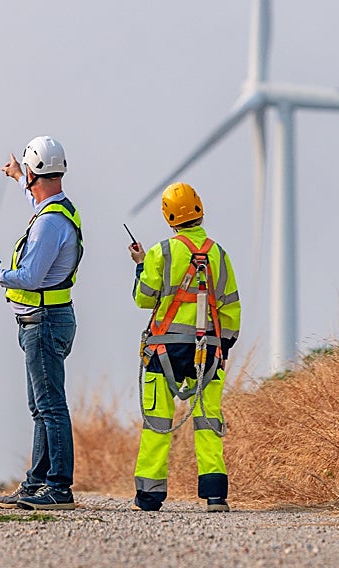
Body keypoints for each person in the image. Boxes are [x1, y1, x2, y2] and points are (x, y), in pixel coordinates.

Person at [0, 135, 83, 511]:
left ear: (37, 173)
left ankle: (58, 487)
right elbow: (37, 197)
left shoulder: (49, 223)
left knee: (50, 406)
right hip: (47, 318)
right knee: (41, 406)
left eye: (28, 175)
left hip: (44, 321)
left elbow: (30, 276)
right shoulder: (59, 208)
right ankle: (37, 481)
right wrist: (18, 175)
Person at [126, 182, 241, 512]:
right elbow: (230, 305)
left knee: (158, 423)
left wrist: (139, 264)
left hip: (164, 350)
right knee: (208, 422)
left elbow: (143, 298)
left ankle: (149, 497)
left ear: (168, 216)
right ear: (200, 209)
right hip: (208, 350)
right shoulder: (219, 253)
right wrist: (224, 345)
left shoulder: (162, 251)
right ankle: (216, 496)